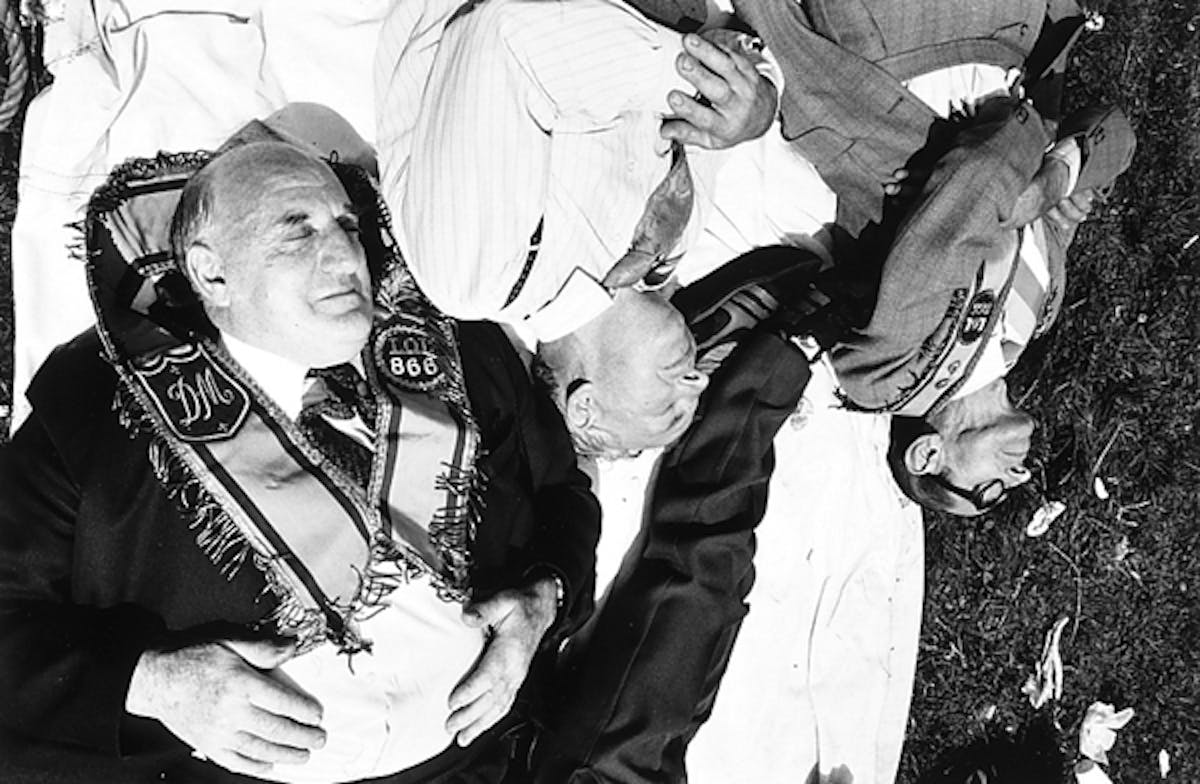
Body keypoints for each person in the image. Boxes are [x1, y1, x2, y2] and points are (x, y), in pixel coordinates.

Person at [0, 110, 600, 784]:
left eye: (348, 226)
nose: (346, 258)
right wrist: (156, 684)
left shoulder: (458, 350)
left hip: (477, 764)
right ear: (212, 274)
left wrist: (545, 599)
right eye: (298, 232)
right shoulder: (97, 403)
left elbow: (564, 494)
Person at [718, 0, 1137, 516]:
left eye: (988, 491)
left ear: (927, 455)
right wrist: (1060, 176)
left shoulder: (890, 374)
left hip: (896, 38)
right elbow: (1116, 136)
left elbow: (984, 172)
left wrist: (1038, 168)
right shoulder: (1041, 313)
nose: (1021, 475)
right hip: (1014, 30)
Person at [374, 0, 808, 456]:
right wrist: (757, 106)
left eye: (669, 411)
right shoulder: (674, 240)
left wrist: (679, 74)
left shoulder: (477, 279)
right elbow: (733, 86)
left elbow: (504, 38)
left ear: (585, 407)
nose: (698, 380)